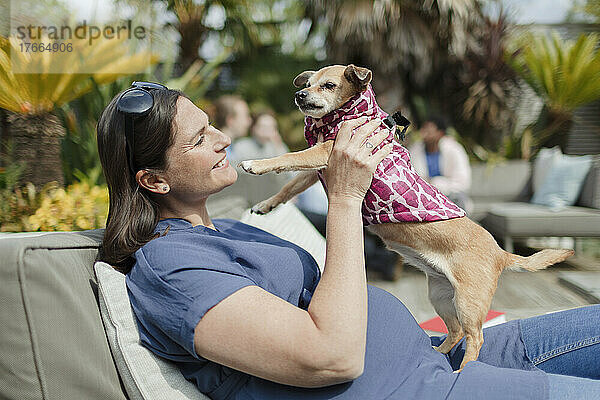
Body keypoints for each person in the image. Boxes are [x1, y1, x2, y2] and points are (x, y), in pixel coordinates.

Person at [96, 82, 600, 399]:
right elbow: (332, 356)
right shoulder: (172, 268)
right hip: (417, 387)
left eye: (212, 127)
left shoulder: (226, 228)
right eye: (199, 139)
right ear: (154, 181)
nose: (223, 139)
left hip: (442, 352)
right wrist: (345, 200)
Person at [409, 115, 473, 214]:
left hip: (450, 196)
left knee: (458, 200)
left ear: (440, 133)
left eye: (429, 130)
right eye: (423, 129)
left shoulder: (454, 149)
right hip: (424, 198)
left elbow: (463, 182)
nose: (424, 133)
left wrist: (434, 183)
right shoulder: (415, 150)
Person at [213, 94, 253, 162]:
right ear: (230, 120)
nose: (249, 121)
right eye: (245, 116)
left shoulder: (228, 148)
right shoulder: (221, 153)